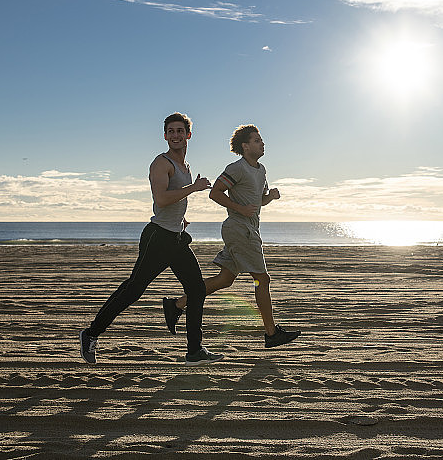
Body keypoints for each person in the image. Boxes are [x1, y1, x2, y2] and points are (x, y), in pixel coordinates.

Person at [79, 113, 223, 366]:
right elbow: (162, 199)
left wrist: (181, 220)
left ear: (189, 135)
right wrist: (194, 188)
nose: (176, 135)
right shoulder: (161, 163)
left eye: (180, 131)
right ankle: (91, 333)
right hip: (158, 239)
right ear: (165, 136)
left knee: (197, 289)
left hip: (176, 238)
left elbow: (173, 203)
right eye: (171, 131)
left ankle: (194, 351)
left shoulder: (185, 166)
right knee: (133, 290)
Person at [163, 124, 300, 348]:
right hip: (239, 229)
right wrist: (238, 207)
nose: (262, 143)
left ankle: (177, 305)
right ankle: (271, 333)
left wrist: (270, 197)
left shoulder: (261, 170)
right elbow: (215, 192)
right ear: (245, 146)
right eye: (257, 140)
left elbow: (257, 202)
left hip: (246, 228)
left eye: (261, 140)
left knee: (225, 279)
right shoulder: (237, 168)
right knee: (262, 279)